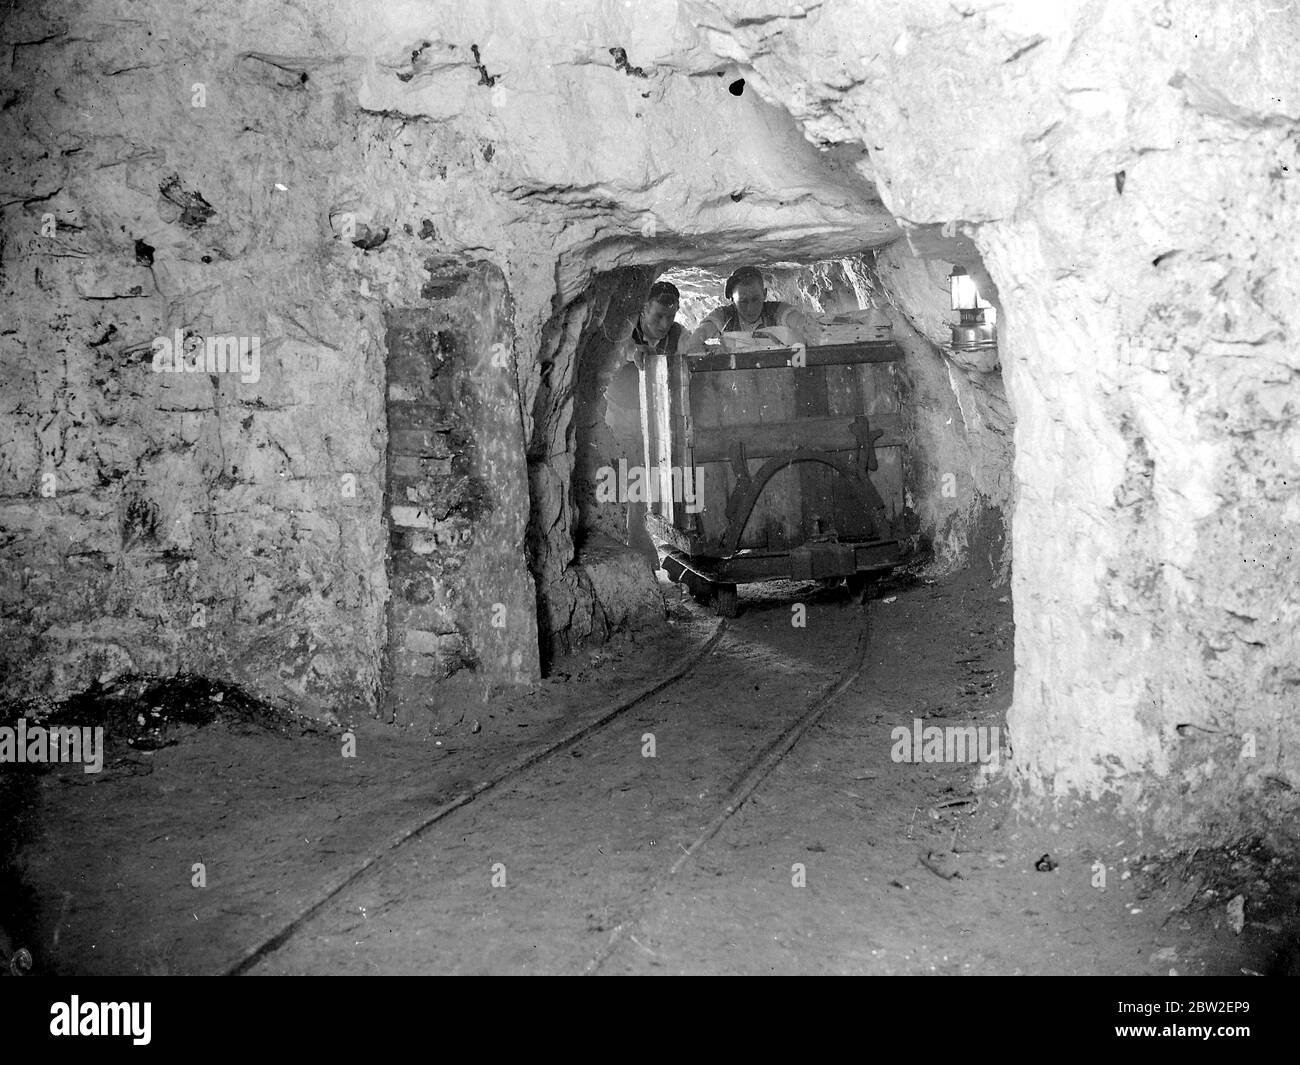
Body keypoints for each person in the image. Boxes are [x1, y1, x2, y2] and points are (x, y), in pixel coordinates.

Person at [605, 281, 684, 566]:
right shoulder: (627, 327)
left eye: (670, 316)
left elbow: (689, 345)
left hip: (652, 417)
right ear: (643, 310)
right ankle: (620, 549)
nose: (664, 323)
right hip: (617, 414)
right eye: (658, 317)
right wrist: (632, 353)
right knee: (617, 482)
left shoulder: (675, 333)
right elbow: (620, 347)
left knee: (643, 485)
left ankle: (642, 551)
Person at [683, 266, 810, 352]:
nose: (750, 308)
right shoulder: (724, 316)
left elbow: (802, 324)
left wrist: (804, 328)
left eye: (755, 299)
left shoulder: (777, 311)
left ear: (764, 294)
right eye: (743, 302)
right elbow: (698, 337)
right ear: (732, 300)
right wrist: (710, 351)